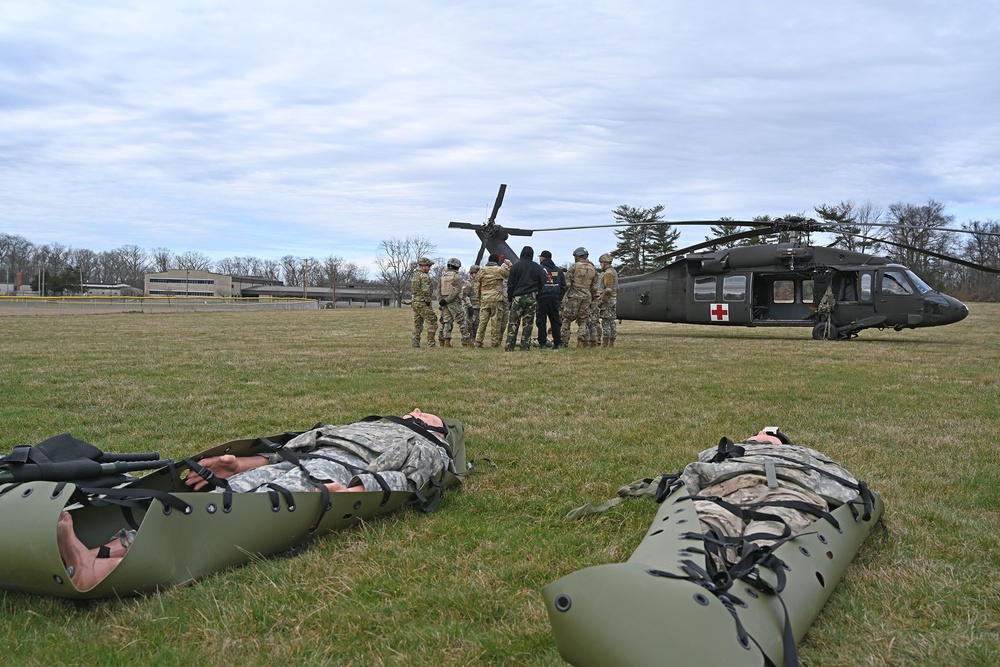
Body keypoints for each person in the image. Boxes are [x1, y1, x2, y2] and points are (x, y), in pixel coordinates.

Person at [57, 410, 453, 590]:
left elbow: (404, 480)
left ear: (432, 429)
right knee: (221, 497)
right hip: (304, 461)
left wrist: (351, 493)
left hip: (331, 474)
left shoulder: (426, 445)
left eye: (426, 413)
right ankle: (103, 554)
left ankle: (99, 569)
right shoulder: (364, 425)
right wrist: (240, 461)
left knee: (238, 512)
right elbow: (293, 447)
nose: (416, 409)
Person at [505, 246, 546, 351]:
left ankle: (509, 346)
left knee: (513, 322)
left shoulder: (515, 266)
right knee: (528, 323)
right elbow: (542, 282)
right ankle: (525, 346)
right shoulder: (537, 267)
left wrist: (510, 298)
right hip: (531, 297)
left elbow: (510, 284)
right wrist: (537, 295)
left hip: (517, 297)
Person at [563, 247, 598, 348]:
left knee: (566, 319)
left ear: (578, 256)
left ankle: (564, 341)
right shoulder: (593, 268)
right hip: (587, 297)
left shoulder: (574, 267)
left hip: (574, 296)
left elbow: (567, 284)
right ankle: (581, 342)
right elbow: (595, 287)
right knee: (583, 320)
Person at [474, 254, 511, 348]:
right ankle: (495, 343)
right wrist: (509, 264)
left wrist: (480, 297)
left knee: (482, 322)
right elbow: (511, 274)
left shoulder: (481, 271)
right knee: (496, 323)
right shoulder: (500, 270)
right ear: (497, 260)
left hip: (485, 299)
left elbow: (477, 286)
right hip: (497, 299)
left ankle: (478, 342)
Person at [438, 258, 472, 347]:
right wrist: (448, 300)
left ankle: (446, 342)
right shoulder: (457, 277)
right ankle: (467, 340)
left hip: (444, 302)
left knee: (447, 321)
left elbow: (438, 290)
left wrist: (441, 301)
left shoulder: (443, 277)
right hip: (454, 302)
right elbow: (457, 291)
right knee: (462, 321)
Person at [535, 250, 566, 349]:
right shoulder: (558, 270)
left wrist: (537, 297)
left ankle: (543, 343)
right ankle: (557, 342)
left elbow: (536, 284)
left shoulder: (539, 269)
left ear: (543, 258)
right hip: (554, 299)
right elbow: (563, 286)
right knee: (555, 321)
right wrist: (559, 298)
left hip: (542, 298)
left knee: (541, 321)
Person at [411, 257, 438, 348]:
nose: (429, 268)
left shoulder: (416, 275)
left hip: (415, 302)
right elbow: (426, 290)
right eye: (428, 266)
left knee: (418, 323)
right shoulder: (424, 276)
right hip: (422, 302)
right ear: (422, 266)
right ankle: (431, 343)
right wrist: (427, 301)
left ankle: (415, 343)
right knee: (432, 321)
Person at [597, 253, 619, 347]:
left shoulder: (608, 273)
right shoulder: (613, 271)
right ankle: (611, 342)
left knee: (606, 321)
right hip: (613, 299)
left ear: (605, 263)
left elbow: (608, 289)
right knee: (611, 321)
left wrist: (602, 300)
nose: (601, 265)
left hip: (608, 299)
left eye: (601, 263)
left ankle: (606, 343)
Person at [462, 264, 481, 338]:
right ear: (472, 273)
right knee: (469, 324)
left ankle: (474, 339)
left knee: (477, 324)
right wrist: (469, 306)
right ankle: (469, 339)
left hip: (478, 306)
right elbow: (464, 295)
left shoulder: (479, 282)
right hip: (470, 306)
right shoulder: (468, 283)